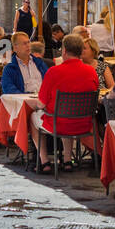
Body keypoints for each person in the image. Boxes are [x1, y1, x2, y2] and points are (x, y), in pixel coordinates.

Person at [32, 34, 100, 172]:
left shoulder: (53, 72)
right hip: (84, 124)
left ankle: (44, 161)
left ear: (63, 51)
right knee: (66, 114)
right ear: (80, 51)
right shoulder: (91, 72)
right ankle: (67, 160)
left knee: (33, 117)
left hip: (60, 123)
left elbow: (41, 103)